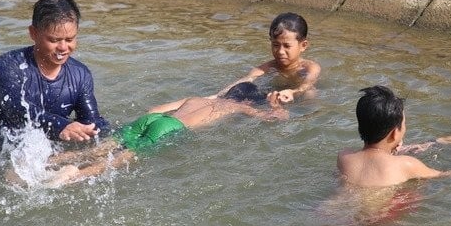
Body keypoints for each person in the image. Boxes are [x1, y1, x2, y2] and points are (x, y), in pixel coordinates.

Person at [32, 82, 288, 187]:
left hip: (153, 119)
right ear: (248, 102)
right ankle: (76, 175)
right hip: (171, 128)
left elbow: (154, 109)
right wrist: (276, 107)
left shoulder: (196, 98)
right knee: (129, 156)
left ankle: (47, 162)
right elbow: (273, 120)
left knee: (106, 146)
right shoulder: (238, 106)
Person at [0, 0, 109, 149]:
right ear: (33, 33)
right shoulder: (7, 67)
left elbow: (91, 122)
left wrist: (114, 132)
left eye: (69, 39)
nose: (63, 47)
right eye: (54, 40)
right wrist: (62, 126)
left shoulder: (80, 75)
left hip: (50, 152)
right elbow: (18, 111)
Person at [338, 86, 451, 188]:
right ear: (395, 133)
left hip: (339, 213)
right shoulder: (407, 164)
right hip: (379, 221)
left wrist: (392, 150)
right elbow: (448, 175)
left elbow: (372, 167)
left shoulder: (344, 157)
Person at [215, 12, 321, 104]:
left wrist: (293, 92)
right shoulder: (270, 66)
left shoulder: (309, 67)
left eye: (287, 46)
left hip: (297, 94)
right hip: (276, 93)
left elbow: (307, 84)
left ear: (303, 45)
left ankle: (305, 117)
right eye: (275, 45)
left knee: (310, 92)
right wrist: (217, 96)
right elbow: (247, 79)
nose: (280, 51)